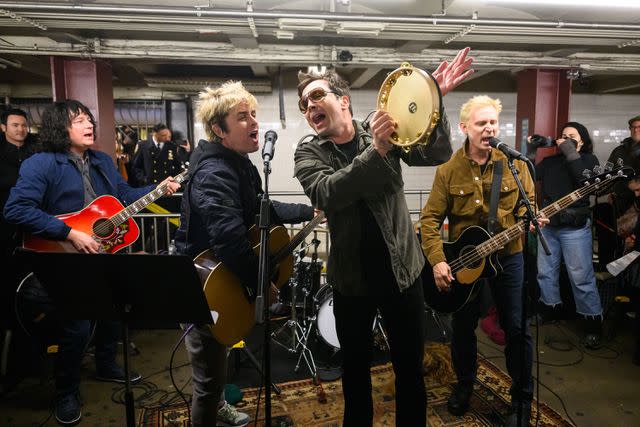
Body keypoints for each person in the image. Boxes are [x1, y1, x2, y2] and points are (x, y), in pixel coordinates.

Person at [293, 47, 474, 426]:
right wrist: (377, 150)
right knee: (355, 373)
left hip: (402, 275)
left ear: (343, 101)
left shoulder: (382, 128)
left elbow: (435, 153)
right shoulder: (308, 152)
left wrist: (429, 103)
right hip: (351, 283)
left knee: (410, 370)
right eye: (303, 104)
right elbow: (327, 193)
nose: (309, 107)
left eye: (316, 96)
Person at [3, 100, 180, 425]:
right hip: (63, 256)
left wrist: (158, 190)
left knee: (114, 312)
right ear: (60, 127)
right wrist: (69, 232)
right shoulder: (42, 163)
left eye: (88, 119)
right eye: (78, 120)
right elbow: (16, 210)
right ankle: (66, 392)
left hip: (104, 252)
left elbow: (125, 195)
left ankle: (106, 365)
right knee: (78, 326)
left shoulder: (100, 160)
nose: (88, 125)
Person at [173, 81, 314, 427]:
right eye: (242, 117)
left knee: (216, 362)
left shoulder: (238, 163)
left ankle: (219, 403)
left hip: (218, 279)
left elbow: (260, 210)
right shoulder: (214, 172)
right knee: (206, 380)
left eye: (253, 114)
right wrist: (262, 285)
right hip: (201, 286)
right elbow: (232, 244)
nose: (254, 122)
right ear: (220, 130)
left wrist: (309, 211)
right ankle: (208, 413)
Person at [420, 95, 546, 427]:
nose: (489, 128)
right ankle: (464, 386)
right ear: (464, 128)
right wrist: (436, 261)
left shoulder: (516, 164)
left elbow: (528, 202)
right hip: (466, 262)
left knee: (517, 328)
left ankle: (521, 400)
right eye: (481, 123)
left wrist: (530, 218)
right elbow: (430, 220)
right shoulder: (449, 170)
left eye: (493, 122)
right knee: (463, 328)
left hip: (509, 256)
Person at [535, 122, 602, 348]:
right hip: (549, 225)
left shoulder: (588, 161)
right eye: (563, 136)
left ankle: (592, 322)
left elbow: (586, 182)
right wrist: (531, 150)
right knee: (545, 273)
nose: (565, 139)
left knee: (581, 277)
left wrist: (570, 151)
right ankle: (550, 308)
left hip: (574, 228)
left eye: (571, 136)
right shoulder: (551, 162)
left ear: (581, 141)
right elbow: (529, 174)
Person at [0, 108, 39, 354]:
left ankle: (32, 331)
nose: (20, 130)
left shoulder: (35, 153)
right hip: (5, 229)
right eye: (15, 125)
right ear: (3, 127)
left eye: (24, 125)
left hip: (34, 227)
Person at [607, 114, 640, 218]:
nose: (636, 130)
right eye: (633, 127)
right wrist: (612, 191)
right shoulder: (618, 151)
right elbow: (608, 173)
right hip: (622, 203)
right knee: (622, 232)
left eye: (639, 127)